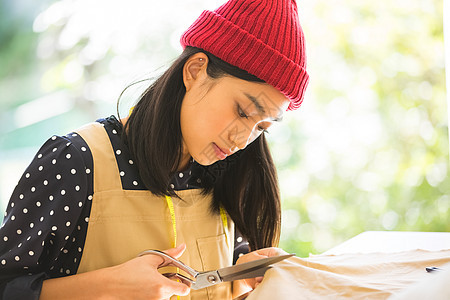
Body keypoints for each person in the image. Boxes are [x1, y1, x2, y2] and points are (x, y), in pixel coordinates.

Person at [0, 0, 309, 299]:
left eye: (261, 127)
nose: (243, 140)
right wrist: (108, 286)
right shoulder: (77, 162)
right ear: (195, 70)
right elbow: (7, 286)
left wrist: (243, 282)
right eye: (242, 112)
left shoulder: (234, 176)